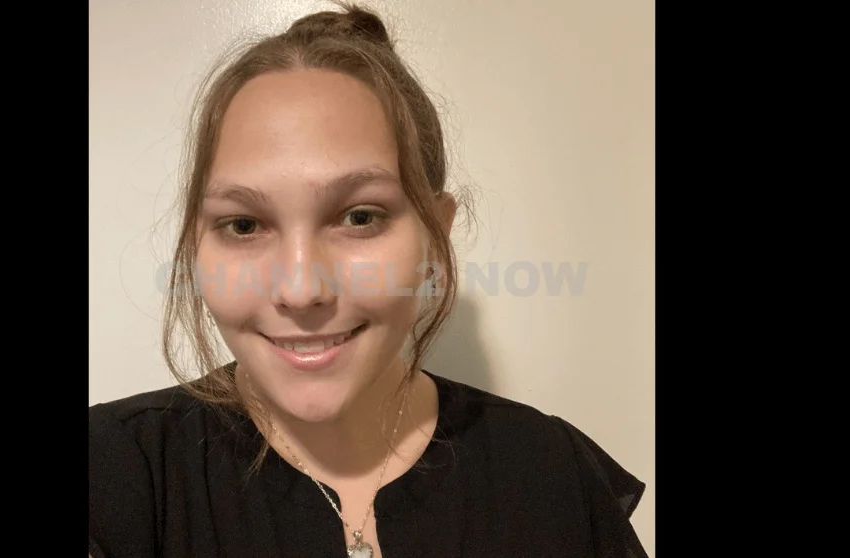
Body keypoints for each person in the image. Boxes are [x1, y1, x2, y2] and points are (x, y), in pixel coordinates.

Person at [89, 3, 649, 557]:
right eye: (244, 225)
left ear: (436, 235)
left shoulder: (550, 471)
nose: (300, 290)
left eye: (360, 217)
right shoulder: (116, 470)